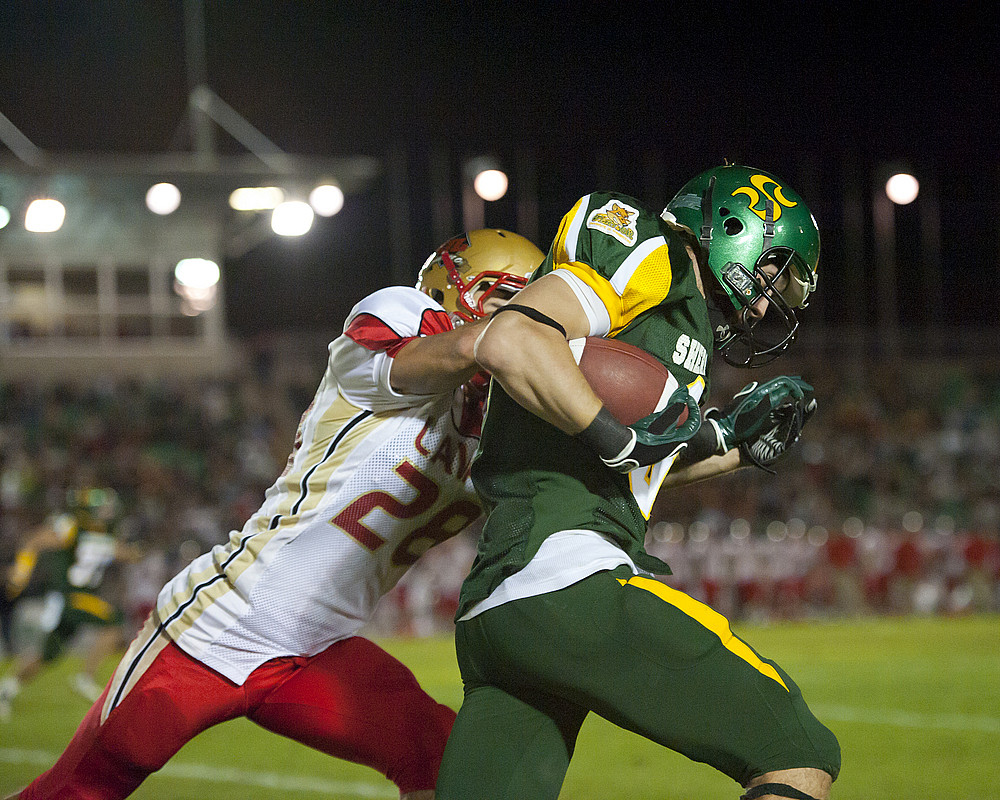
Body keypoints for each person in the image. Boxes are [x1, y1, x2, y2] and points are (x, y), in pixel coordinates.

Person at [5, 229, 545, 800]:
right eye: (507, 303)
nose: (527, 325)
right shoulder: (401, 317)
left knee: (445, 759)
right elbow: (456, 352)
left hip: (322, 646)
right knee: (78, 790)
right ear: (453, 290)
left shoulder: (503, 423)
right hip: (227, 619)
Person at [435, 165, 841, 800]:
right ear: (735, 228)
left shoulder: (681, 318)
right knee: (798, 751)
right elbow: (513, 337)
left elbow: (633, 462)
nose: (764, 305)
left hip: (502, 605)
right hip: (565, 574)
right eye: (769, 275)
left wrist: (733, 445)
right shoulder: (652, 251)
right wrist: (612, 432)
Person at [1, 487, 136, 719]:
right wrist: (21, 571)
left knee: (48, 654)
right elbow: (33, 540)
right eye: (101, 508)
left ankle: (6, 688)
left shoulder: (103, 532)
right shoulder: (72, 526)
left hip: (78, 595)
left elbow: (119, 551)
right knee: (115, 622)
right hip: (70, 594)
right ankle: (86, 678)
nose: (107, 512)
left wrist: (135, 552)